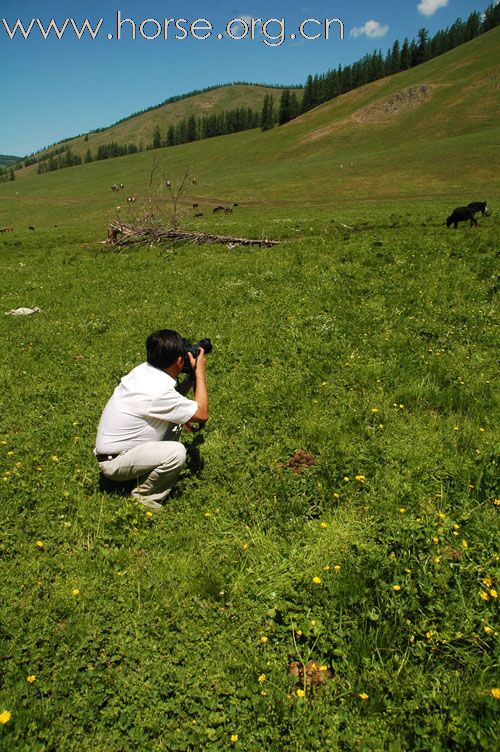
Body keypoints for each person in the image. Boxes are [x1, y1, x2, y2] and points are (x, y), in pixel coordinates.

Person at [94, 329, 208, 511]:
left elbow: (169, 402)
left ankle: (142, 474)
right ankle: (145, 500)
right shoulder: (159, 391)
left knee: (176, 421)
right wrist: (200, 373)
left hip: (112, 453)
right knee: (176, 452)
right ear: (179, 361)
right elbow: (202, 414)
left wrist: (190, 379)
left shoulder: (143, 372)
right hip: (115, 463)